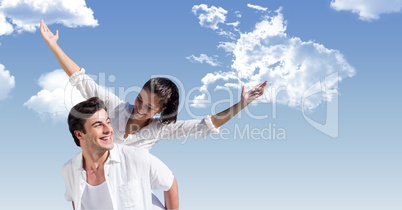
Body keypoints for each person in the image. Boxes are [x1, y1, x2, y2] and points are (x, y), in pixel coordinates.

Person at [40, 19, 268, 149]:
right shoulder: (116, 107)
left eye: (149, 107)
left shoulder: (160, 129)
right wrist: (53, 45)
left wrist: (242, 104)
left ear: (161, 110)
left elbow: (205, 125)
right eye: (140, 99)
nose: (140, 108)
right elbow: (81, 80)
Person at [63, 96, 179, 210]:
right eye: (98, 125)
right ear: (79, 134)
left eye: (108, 122)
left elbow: (169, 182)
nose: (108, 130)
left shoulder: (136, 157)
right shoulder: (69, 169)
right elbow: (76, 200)